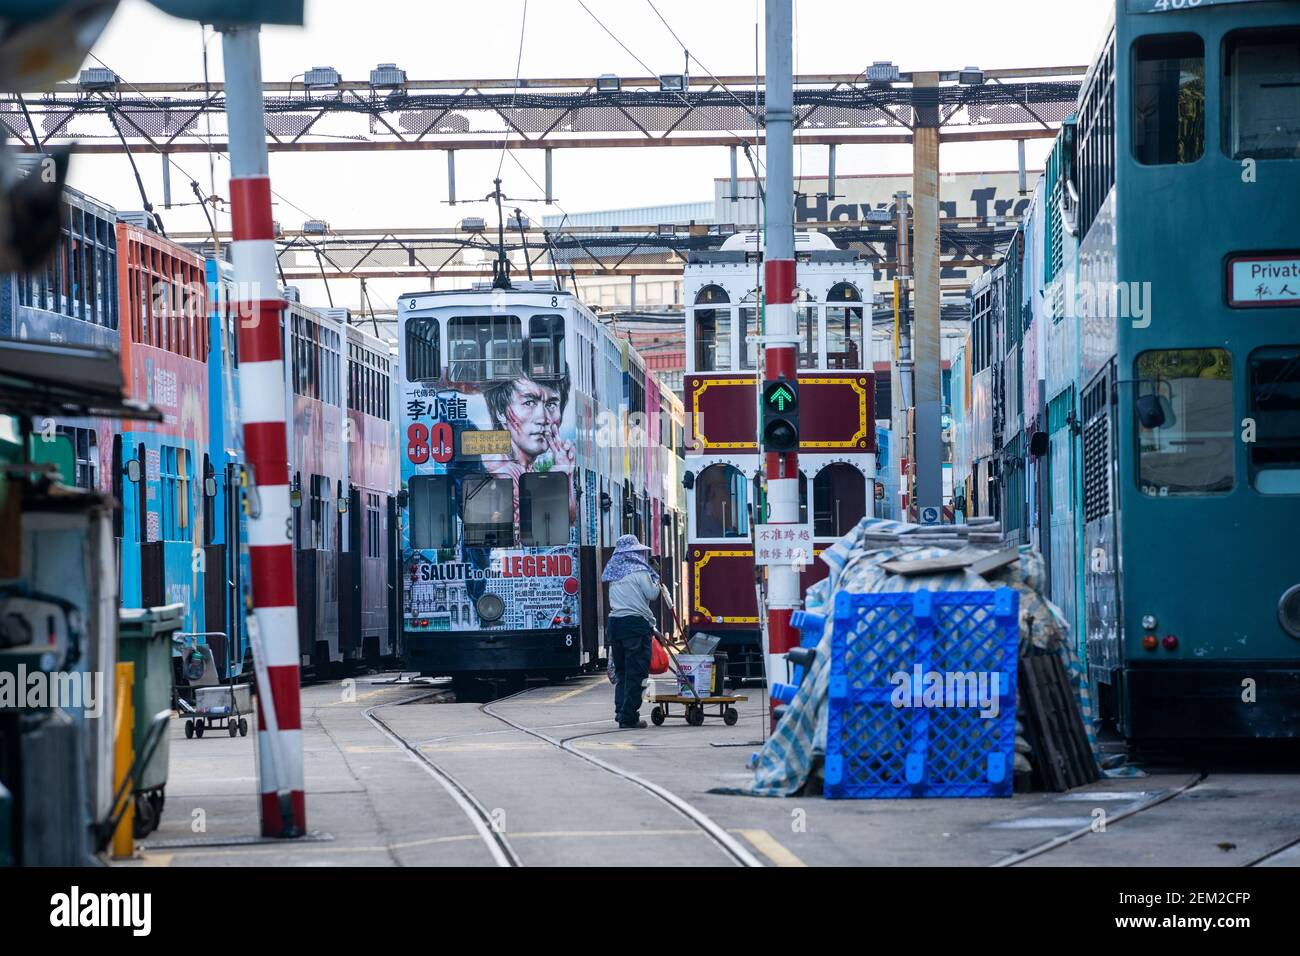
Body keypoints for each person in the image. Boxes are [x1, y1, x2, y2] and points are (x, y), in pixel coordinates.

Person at [603, 533, 660, 729]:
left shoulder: (614, 573)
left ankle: (620, 712)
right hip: (635, 625)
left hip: (615, 625)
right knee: (637, 673)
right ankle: (629, 716)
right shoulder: (639, 572)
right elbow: (652, 594)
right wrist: (655, 578)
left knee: (622, 672)